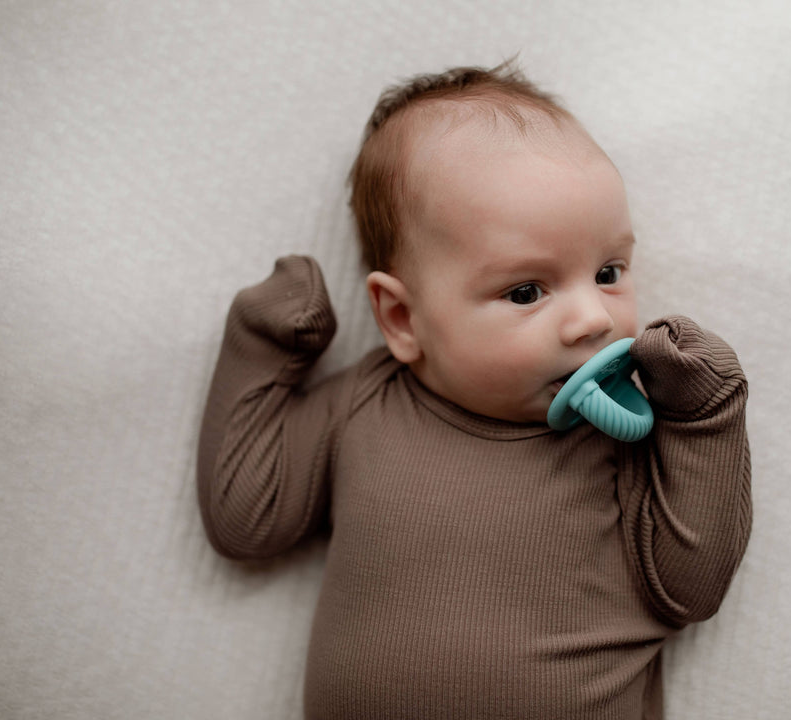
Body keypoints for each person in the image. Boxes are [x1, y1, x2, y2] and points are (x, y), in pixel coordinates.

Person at [197, 61, 751, 720]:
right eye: (525, 291)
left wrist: (704, 414)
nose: (594, 319)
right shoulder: (363, 406)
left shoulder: (618, 435)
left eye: (609, 272)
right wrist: (262, 343)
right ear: (403, 319)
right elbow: (247, 518)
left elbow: (691, 588)